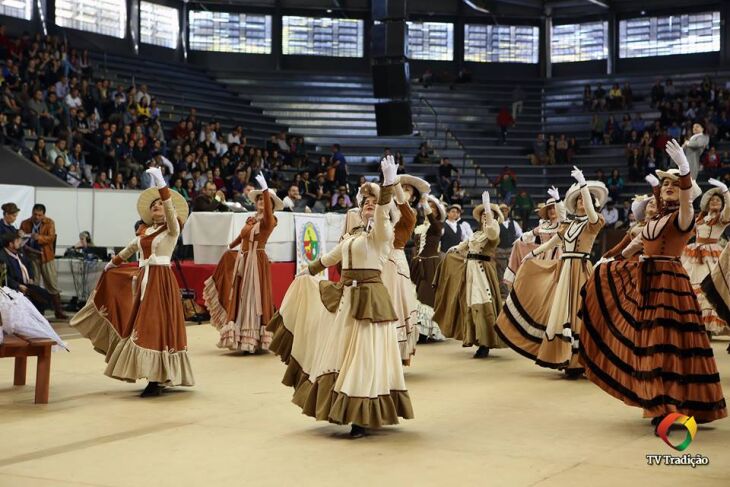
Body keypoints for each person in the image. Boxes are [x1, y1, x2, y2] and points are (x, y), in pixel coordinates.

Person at [581, 141, 727, 428]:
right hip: (649, 284)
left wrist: (686, 170)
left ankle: (671, 402)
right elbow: (629, 248)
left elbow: (686, 201)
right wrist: (605, 263)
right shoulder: (653, 222)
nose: (669, 186)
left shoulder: (683, 218)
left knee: (670, 342)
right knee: (650, 342)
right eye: (666, 183)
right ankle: (658, 400)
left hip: (670, 283)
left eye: (674, 182)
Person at [266, 158, 414, 438]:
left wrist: (386, 186)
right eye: (365, 201)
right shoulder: (352, 237)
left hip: (370, 302)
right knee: (340, 354)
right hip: (346, 299)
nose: (369, 204)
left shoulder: (383, 235)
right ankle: (343, 407)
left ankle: (361, 415)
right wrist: (307, 271)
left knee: (364, 356)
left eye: (373, 201)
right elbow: (330, 258)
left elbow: (383, 218)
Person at [70, 167, 194, 396]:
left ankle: (157, 378)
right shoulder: (145, 233)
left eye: (160, 204)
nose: (156, 206)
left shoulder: (172, 231)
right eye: (153, 204)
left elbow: (169, 213)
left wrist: (162, 185)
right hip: (145, 280)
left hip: (161, 281)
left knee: (155, 325)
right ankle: (153, 374)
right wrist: (112, 264)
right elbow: (129, 249)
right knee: (140, 326)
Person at [496, 167, 607, 378]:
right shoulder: (570, 224)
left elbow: (592, 215)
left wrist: (584, 186)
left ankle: (579, 360)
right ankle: (564, 357)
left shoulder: (594, 222)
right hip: (564, 270)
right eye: (581, 200)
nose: (583, 203)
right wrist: (531, 255)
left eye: (587, 200)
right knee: (560, 311)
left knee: (577, 311)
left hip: (580, 270)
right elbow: (555, 242)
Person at [204, 174, 283, 353]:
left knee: (253, 296)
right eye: (259, 199)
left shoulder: (270, 221)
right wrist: (230, 246)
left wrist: (265, 190)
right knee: (241, 295)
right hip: (245, 259)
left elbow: (268, 218)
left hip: (257, 261)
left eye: (265, 200)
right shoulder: (251, 219)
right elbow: (242, 236)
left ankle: (253, 338)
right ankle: (241, 336)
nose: (262, 201)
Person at [445, 191, 506, 358]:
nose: (486, 217)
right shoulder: (476, 234)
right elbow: (464, 245)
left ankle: (485, 342)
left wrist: (488, 208)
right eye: (484, 215)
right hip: (470, 271)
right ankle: (477, 339)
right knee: (471, 302)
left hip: (482, 271)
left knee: (482, 301)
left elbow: (492, 232)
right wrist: (455, 249)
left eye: (490, 215)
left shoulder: (492, 232)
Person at [381, 172, 426, 365]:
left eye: (408, 190)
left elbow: (401, 203)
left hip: (394, 259)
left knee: (395, 303)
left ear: (414, 196)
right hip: (377, 259)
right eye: (402, 189)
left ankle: (394, 353)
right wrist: (387, 185)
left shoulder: (411, 214)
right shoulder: (384, 208)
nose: (403, 192)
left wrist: (395, 183)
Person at [680, 179, 730, 336]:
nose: (715, 201)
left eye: (718, 200)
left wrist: (725, 192)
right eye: (712, 199)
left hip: (712, 254)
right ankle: (697, 324)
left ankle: (708, 326)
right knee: (692, 286)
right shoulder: (700, 219)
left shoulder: (721, 219)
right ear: (707, 203)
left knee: (709, 287)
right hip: (694, 254)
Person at [504, 188, 566, 288]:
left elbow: (563, 216)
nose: (551, 210)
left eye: (554, 207)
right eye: (549, 209)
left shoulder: (562, 223)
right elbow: (528, 236)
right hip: (542, 258)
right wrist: (520, 241)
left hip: (558, 257)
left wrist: (558, 200)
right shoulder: (543, 225)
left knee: (555, 287)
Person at [20, 204, 67, 319]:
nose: (36, 217)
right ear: (32, 213)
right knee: (33, 284)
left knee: (51, 283)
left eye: (39, 215)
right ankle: (35, 312)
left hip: (46, 256)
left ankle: (58, 311)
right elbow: (20, 237)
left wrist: (39, 238)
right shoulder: (25, 223)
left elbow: (51, 238)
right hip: (31, 256)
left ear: (43, 215)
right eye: (35, 214)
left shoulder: (49, 222)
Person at [411, 194, 446, 342]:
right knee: (415, 296)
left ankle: (430, 332)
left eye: (433, 207)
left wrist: (425, 204)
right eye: (428, 206)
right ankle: (420, 331)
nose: (429, 209)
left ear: (437, 212)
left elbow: (432, 221)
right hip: (417, 264)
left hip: (431, 264)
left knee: (427, 297)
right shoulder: (419, 227)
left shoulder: (437, 226)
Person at [0, 231, 54, 313]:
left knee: (44, 295)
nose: (20, 243)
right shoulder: (2, 257)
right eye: (17, 241)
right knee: (36, 298)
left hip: (25, 284)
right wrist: (18, 285)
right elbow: (4, 276)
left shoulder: (19, 252)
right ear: (10, 244)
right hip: (12, 287)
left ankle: (38, 318)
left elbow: (29, 264)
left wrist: (31, 277)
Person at [602, 191, 657, 259]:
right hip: (630, 259)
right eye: (650, 202)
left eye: (656, 203)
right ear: (644, 209)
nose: (653, 203)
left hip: (648, 259)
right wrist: (605, 257)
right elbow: (621, 246)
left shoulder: (659, 224)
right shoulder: (636, 225)